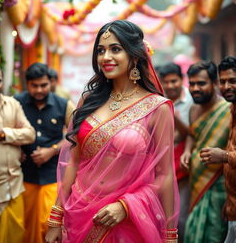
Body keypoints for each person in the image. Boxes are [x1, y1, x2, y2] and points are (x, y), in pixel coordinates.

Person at [45, 20, 179, 243]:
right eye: (101, 50)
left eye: (115, 49)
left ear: (135, 56)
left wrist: (127, 207)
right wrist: (55, 219)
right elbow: (73, 162)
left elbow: (164, 175)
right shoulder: (88, 101)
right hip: (78, 214)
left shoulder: (157, 108)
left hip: (126, 222)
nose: (105, 57)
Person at [14, 63, 75, 243]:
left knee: (48, 223)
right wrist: (16, 150)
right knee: (24, 224)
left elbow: (74, 136)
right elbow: (8, 130)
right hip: (25, 176)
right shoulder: (16, 102)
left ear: (51, 83)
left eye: (44, 85)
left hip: (52, 176)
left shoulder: (64, 105)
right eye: (34, 86)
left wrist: (52, 150)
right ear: (27, 84)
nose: (39, 90)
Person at [0, 64, 35, 242]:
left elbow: (30, 134)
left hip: (14, 188)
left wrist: (3, 133)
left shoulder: (12, 104)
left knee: (14, 237)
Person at [180, 61, 230, 243]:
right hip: (196, 181)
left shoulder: (228, 110)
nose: (195, 88)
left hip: (220, 188)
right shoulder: (194, 109)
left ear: (214, 84)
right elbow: (193, 134)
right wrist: (187, 151)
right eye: (191, 84)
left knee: (213, 235)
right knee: (193, 232)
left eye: (201, 83)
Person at [199, 56, 236, 243]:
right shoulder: (232, 109)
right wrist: (230, 204)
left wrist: (224, 156)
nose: (227, 86)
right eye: (223, 81)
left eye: (233, 81)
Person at [159, 62, 193, 243]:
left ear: (181, 80)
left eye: (174, 81)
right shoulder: (159, 101)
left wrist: (171, 111)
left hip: (183, 164)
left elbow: (189, 133)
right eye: (167, 82)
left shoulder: (191, 101)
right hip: (163, 165)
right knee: (163, 213)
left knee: (181, 215)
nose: (171, 86)